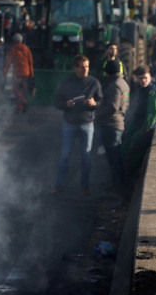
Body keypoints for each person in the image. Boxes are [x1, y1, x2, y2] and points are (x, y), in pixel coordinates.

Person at [52, 55, 103, 195]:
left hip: (87, 124)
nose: (85, 70)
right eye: (82, 67)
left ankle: (84, 187)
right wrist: (66, 105)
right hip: (70, 123)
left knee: (86, 156)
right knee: (64, 155)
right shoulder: (67, 82)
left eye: (87, 66)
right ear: (76, 68)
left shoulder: (94, 83)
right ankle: (58, 186)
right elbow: (57, 102)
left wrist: (94, 104)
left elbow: (101, 103)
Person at [122, 64, 156, 179]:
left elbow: (151, 118)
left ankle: (127, 179)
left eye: (145, 78)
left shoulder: (152, 92)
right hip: (142, 127)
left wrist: (140, 132)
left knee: (132, 151)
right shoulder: (144, 89)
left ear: (150, 77)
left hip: (147, 130)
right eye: (140, 78)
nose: (143, 81)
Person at [96, 59, 129, 189]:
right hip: (119, 123)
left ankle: (117, 185)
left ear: (108, 73)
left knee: (113, 157)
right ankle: (119, 183)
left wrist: (98, 114)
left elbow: (113, 107)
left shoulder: (115, 85)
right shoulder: (124, 84)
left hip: (111, 125)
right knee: (117, 155)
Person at [3, 33, 34, 114]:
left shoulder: (13, 49)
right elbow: (30, 62)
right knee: (23, 91)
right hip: (26, 73)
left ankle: (23, 103)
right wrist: (31, 74)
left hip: (17, 73)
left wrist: (4, 73)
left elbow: (8, 63)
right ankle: (20, 108)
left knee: (16, 90)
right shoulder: (26, 49)